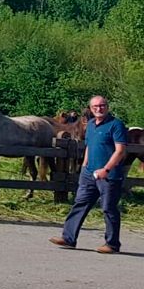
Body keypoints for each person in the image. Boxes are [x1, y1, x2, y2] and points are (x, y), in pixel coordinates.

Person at [50, 95, 129, 254]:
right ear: (91, 109)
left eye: (102, 106)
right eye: (95, 107)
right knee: (80, 203)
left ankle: (112, 244)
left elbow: (120, 151)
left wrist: (106, 169)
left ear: (107, 107)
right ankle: (68, 238)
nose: (99, 109)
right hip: (89, 174)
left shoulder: (116, 125)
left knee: (108, 208)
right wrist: (85, 165)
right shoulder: (91, 125)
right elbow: (89, 146)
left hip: (109, 175)